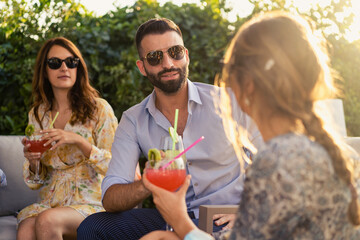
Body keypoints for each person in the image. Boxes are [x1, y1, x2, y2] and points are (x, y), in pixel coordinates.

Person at [140, 11, 360, 240]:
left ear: (247, 85)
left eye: (229, 70)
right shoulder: (322, 151)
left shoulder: (278, 161)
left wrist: (179, 219)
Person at [77, 18, 262, 239]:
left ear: (186, 55)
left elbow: (274, 161)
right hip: (170, 217)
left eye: (175, 52)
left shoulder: (230, 101)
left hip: (227, 216)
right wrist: (148, 183)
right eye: (155, 57)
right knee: (93, 227)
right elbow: (110, 197)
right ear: (142, 67)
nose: (168, 64)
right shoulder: (134, 120)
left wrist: (253, 211)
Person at [17, 37, 118, 240]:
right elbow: (36, 182)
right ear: (44, 71)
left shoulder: (99, 109)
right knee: (27, 229)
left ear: (78, 68)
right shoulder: (38, 114)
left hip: (91, 200)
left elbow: (116, 168)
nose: (64, 67)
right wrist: (34, 160)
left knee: (47, 220)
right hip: (51, 201)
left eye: (71, 62)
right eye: (55, 63)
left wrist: (80, 142)